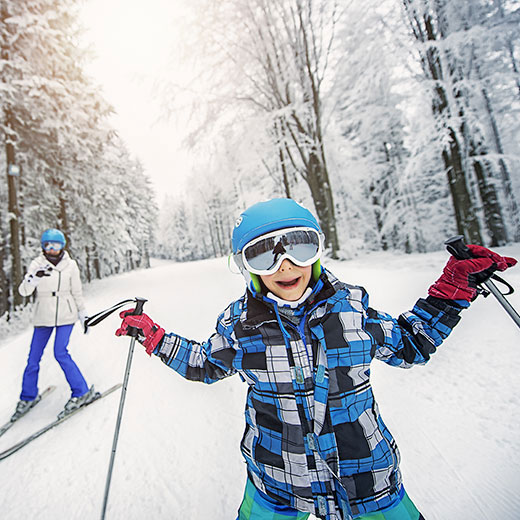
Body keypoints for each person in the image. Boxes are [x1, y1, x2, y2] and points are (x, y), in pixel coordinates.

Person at [115, 198, 516, 520]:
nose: (284, 264)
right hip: (277, 479)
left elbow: (411, 343)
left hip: (366, 477)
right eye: (262, 255)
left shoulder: (352, 311)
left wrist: (451, 291)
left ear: (317, 252)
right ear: (246, 268)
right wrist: (155, 338)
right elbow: (204, 364)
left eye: (299, 246)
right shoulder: (241, 326)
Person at [13, 228, 97, 421]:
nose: (52, 249)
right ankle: (28, 396)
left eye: (56, 245)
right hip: (43, 316)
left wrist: (83, 314)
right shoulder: (37, 264)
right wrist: (32, 278)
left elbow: (76, 292)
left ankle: (81, 391)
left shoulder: (71, 265)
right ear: (43, 246)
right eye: (48, 245)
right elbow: (24, 291)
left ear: (62, 246)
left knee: (60, 352)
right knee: (33, 358)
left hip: (66, 315)